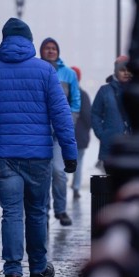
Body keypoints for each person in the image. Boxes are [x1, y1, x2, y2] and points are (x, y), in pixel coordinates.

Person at [0, 18, 77, 277]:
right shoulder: (45, 71)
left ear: (3, 39)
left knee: (11, 213)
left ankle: (13, 273)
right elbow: (61, 115)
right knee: (37, 211)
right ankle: (39, 269)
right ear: (30, 41)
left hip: (4, 155)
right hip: (38, 155)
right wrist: (70, 153)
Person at [39, 37, 80, 226]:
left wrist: (68, 125)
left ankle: (61, 209)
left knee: (59, 171)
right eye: (47, 48)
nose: (50, 51)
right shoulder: (36, 71)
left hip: (58, 134)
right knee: (42, 175)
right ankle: (43, 211)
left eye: (53, 48)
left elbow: (75, 102)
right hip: (39, 133)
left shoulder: (68, 74)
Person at [91, 55, 132, 172]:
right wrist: (102, 134)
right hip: (110, 145)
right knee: (109, 183)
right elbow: (95, 114)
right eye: (122, 70)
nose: (126, 73)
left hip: (132, 144)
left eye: (129, 70)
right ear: (116, 71)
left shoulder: (137, 91)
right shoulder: (104, 90)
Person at [70, 66, 91, 200]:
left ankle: (61, 185)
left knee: (61, 163)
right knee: (78, 162)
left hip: (66, 136)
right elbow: (88, 116)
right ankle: (76, 187)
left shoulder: (63, 93)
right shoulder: (83, 95)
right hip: (80, 136)